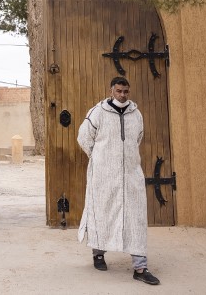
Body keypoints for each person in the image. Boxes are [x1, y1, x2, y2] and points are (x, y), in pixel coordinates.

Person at [77, 76, 160, 285]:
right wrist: (99, 160)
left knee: (135, 218)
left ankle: (140, 267)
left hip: (131, 175)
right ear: (111, 91)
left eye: (125, 91)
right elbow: (84, 138)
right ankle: (98, 254)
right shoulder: (98, 112)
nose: (122, 95)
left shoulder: (136, 114)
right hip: (104, 176)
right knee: (102, 213)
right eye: (118, 91)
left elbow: (137, 138)